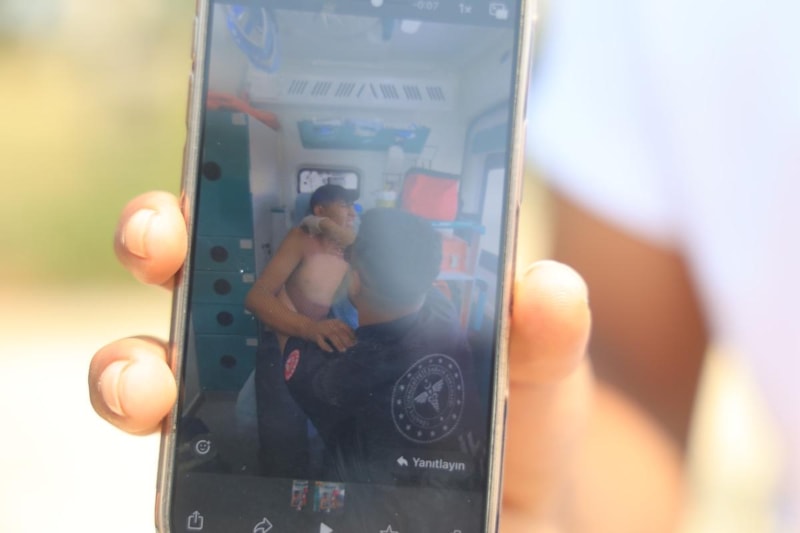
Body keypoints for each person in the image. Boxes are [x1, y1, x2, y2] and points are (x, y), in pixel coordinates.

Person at [92, 191, 680, 532]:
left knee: (285, 442)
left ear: (358, 274)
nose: (344, 230)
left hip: (352, 484)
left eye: (352, 225)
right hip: (418, 489)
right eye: (341, 219)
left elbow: (305, 365)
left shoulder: (346, 362)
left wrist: (307, 326)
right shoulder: (441, 311)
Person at [275, 208, 483, 484]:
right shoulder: (441, 308)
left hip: (371, 498)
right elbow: (409, 260)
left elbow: (284, 331)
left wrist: (296, 284)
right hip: (456, 482)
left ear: (355, 280)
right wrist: (347, 239)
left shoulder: (340, 373)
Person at [240, 183, 359, 476]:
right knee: (282, 446)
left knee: (335, 429)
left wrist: (338, 233)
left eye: (353, 208)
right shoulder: (302, 238)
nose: (352, 214)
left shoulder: (348, 250)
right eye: (344, 206)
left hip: (317, 340)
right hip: (285, 339)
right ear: (320, 210)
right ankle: (280, 486)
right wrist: (308, 328)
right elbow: (256, 297)